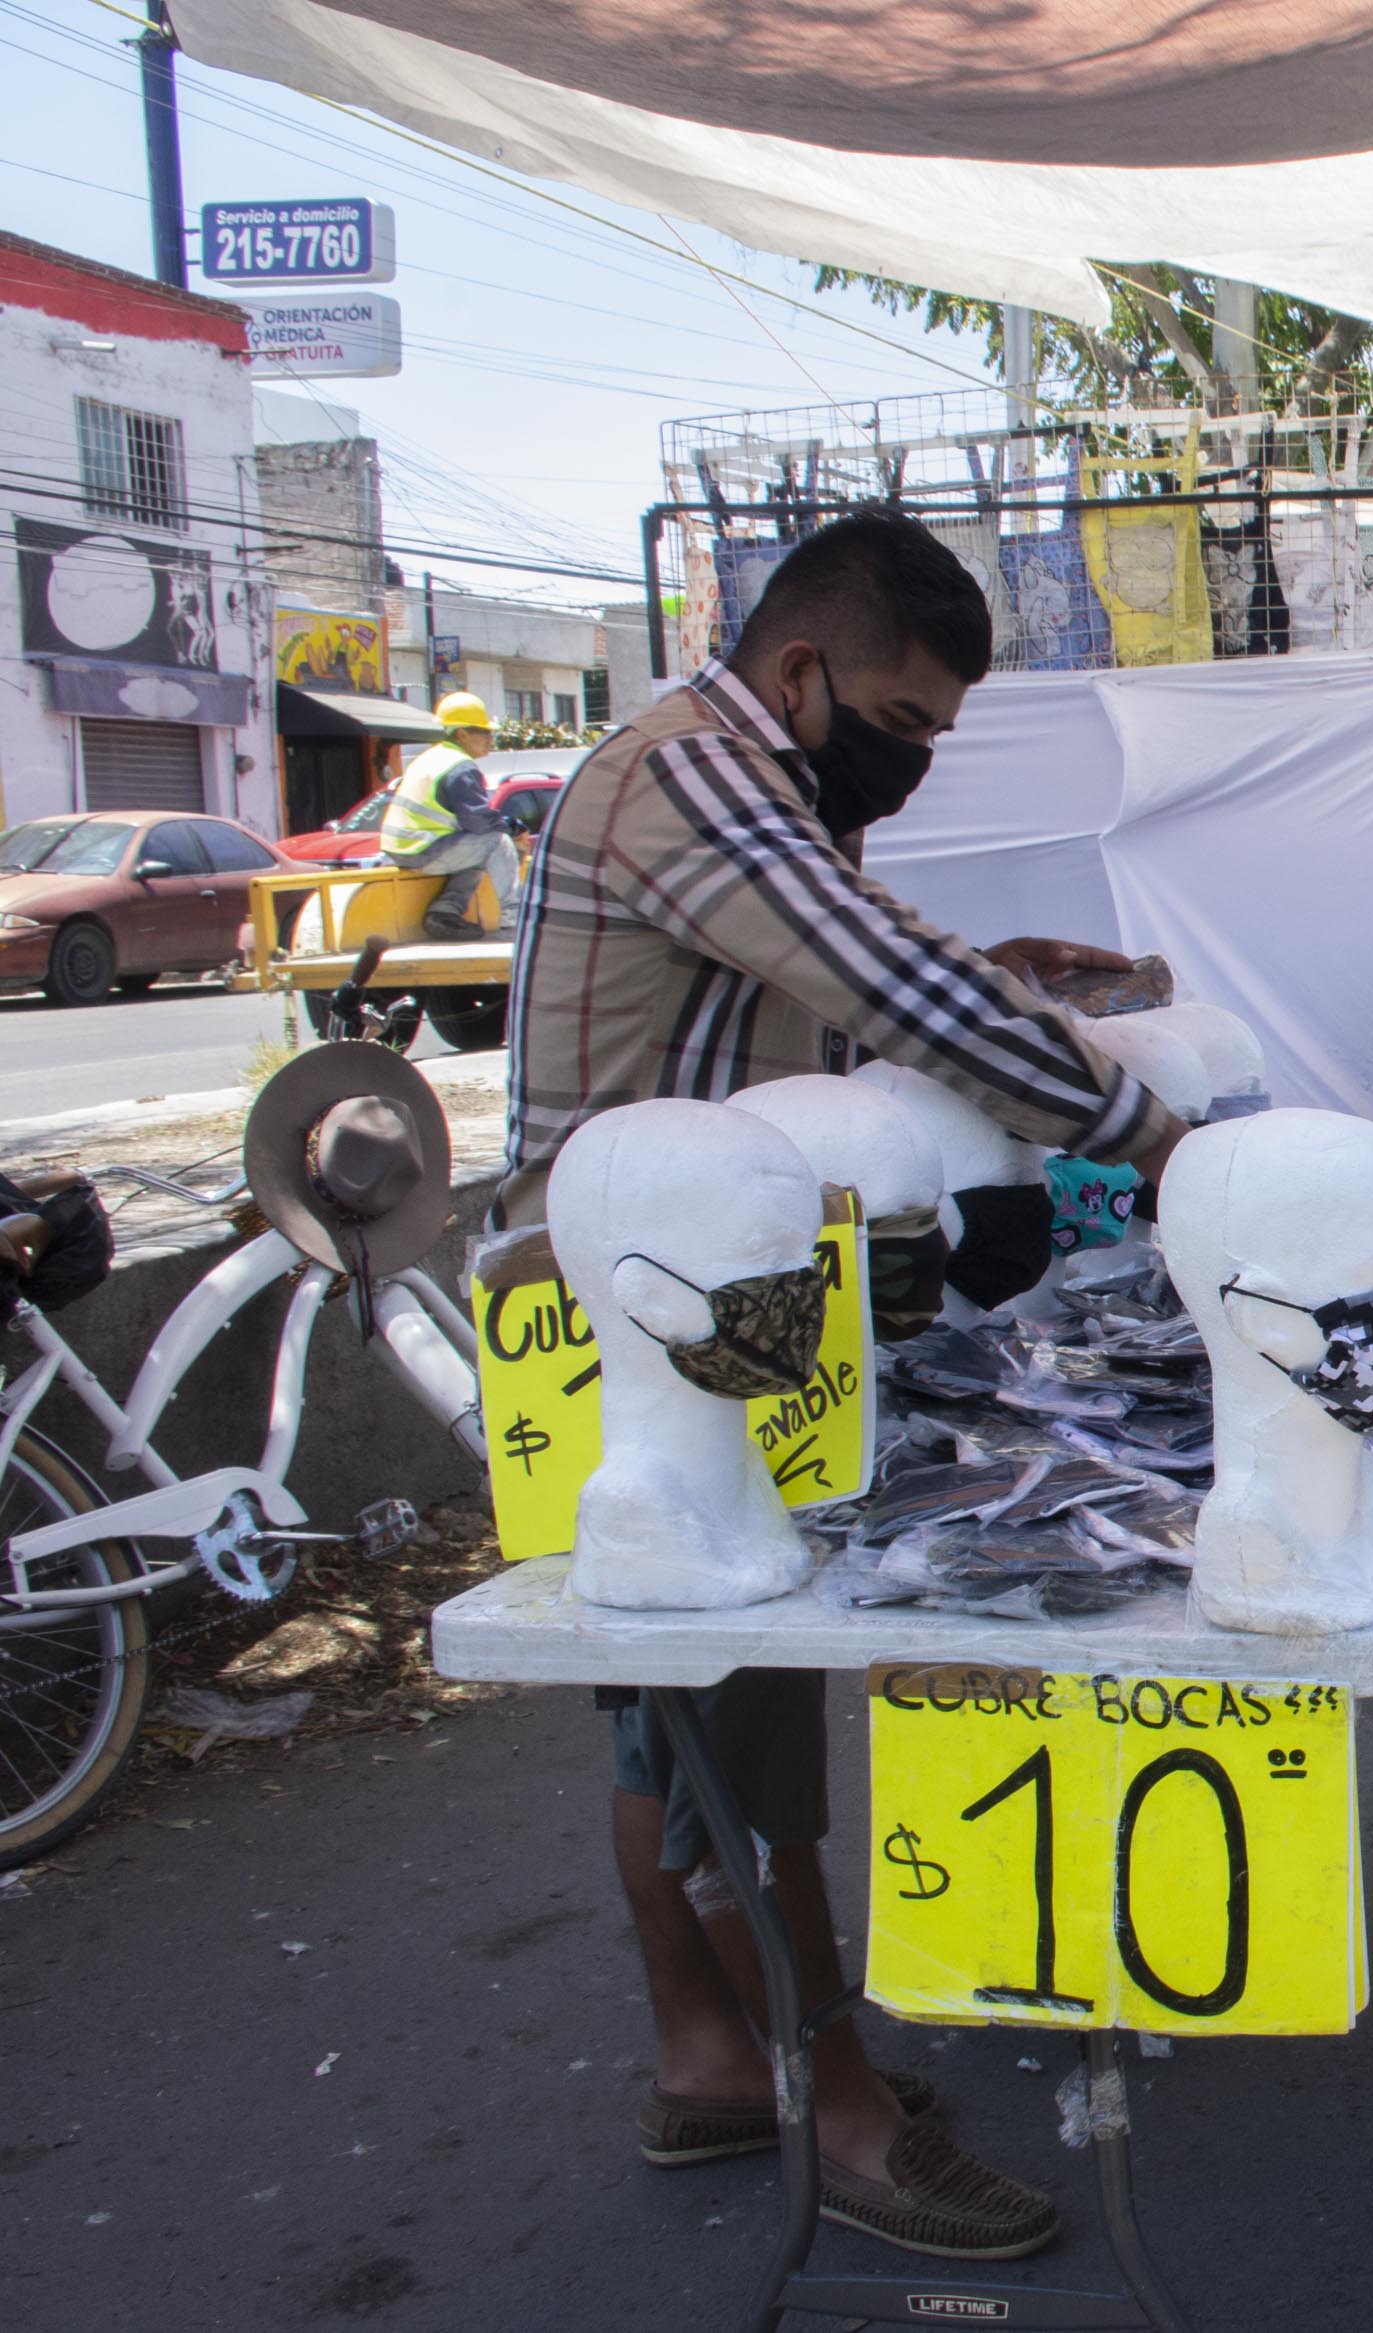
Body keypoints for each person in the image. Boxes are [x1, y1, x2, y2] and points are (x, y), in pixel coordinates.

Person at [504, 512, 1187, 2263]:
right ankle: (845, 2110)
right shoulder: (692, 773)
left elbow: (891, 963)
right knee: (723, 1690)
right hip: (640, 1312)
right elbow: (881, 979)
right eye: (905, 715)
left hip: (694, 1294)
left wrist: (1009, 982)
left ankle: (713, 2053)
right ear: (802, 673)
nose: (914, 752)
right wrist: (1158, 1134)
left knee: (677, 1681)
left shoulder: (760, 788)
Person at [378, 689, 515, 941]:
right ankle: (512, 917)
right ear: (462, 733)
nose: (490, 738)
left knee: (478, 851)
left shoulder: (431, 757)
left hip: (403, 849)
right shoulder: (459, 766)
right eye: (484, 732)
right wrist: (511, 827)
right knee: (497, 841)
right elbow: (478, 821)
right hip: (423, 849)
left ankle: (444, 913)